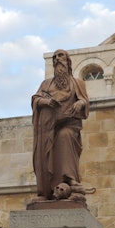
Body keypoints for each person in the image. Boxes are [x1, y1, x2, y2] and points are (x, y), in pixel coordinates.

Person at [31, 49, 89, 201]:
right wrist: (47, 102)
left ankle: (70, 180)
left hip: (69, 124)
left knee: (65, 136)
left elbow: (85, 101)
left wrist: (80, 103)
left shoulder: (77, 83)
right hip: (48, 127)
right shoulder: (46, 84)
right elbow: (36, 99)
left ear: (68, 61)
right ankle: (47, 191)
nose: (57, 59)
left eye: (60, 56)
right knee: (45, 149)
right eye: (54, 57)